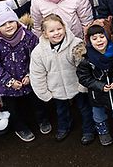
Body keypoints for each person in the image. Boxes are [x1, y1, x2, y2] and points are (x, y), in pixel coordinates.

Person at [29, 13, 93, 144]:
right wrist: (44, 94)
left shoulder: (76, 44)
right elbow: (37, 74)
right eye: (51, 31)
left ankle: (88, 129)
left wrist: (83, 86)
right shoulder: (38, 52)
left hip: (77, 85)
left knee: (84, 108)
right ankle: (64, 127)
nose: (56, 33)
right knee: (61, 111)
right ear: (45, 34)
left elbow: (84, 68)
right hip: (56, 90)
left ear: (64, 27)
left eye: (59, 29)